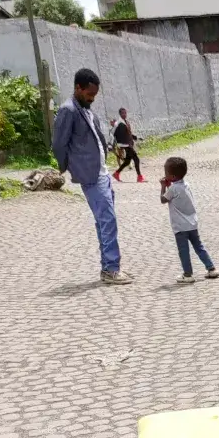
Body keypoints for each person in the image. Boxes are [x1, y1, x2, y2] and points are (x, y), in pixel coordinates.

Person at [51, 68, 134, 285]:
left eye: (95, 95)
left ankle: (108, 267)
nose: (92, 98)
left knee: (103, 221)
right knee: (108, 220)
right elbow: (59, 143)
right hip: (90, 174)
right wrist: (69, 167)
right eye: (89, 94)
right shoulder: (68, 110)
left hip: (102, 172)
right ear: (78, 88)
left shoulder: (87, 110)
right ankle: (111, 269)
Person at [160, 156, 219, 283]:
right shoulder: (186, 185)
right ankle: (211, 268)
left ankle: (188, 274)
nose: (164, 175)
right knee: (199, 246)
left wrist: (163, 186)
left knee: (183, 251)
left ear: (172, 177)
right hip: (192, 223)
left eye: (166, 173)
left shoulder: (173, 189)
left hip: (180, 227)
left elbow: (163, 200)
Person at [111, 108, 144, 182]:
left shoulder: (126, 122)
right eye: (123, 113)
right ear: (120, 114)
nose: (124, 114)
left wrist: (136, 137)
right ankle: (139, 177)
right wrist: (115, 144)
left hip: (129, 143)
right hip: (125, 144)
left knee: (127, 161)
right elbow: (114, 133)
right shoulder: (119, 123)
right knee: (136, 158)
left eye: (125, 113)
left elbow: (128, 133)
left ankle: (116, 173)